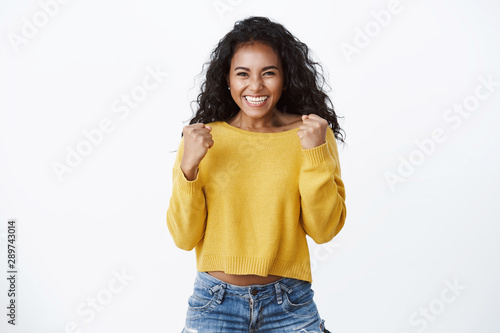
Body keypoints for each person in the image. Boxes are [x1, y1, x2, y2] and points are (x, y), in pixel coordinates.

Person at [166, 16, 346, 332]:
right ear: (227, 78)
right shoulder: (202, 139)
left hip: (289, 303)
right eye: (243, 74)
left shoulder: (312, 135)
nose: (255, 86)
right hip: (215, 305)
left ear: (286, 78)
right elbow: (183, 238)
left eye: (269, 73)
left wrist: (315, 154)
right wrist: (189, 169)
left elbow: (324, 230)